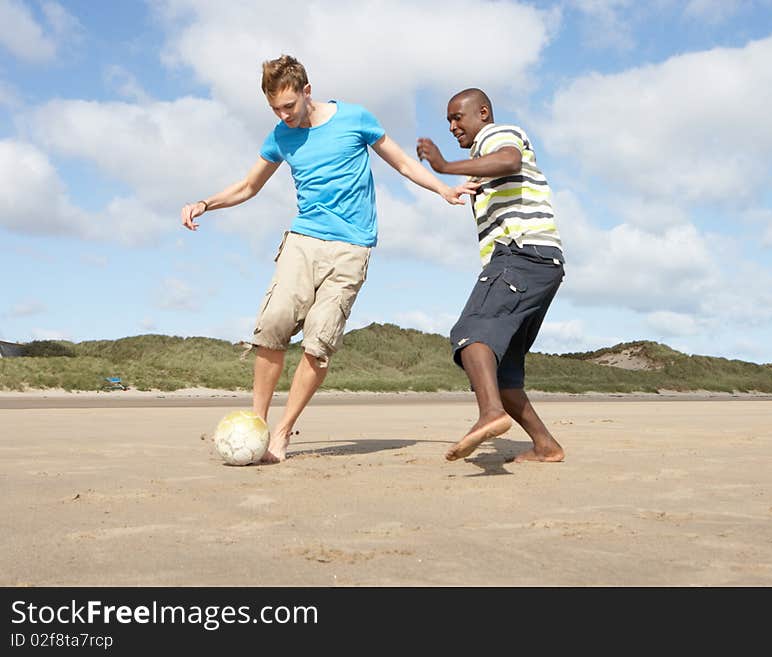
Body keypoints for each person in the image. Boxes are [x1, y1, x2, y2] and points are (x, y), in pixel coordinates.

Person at [181, 55, 476, 463]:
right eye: (275, 109)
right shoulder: (281, 137)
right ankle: (257, 425)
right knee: (272, 325)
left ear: (307, 92)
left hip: (352, 249)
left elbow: (404, 164)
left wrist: (442, 189)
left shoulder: (355, 119)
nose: (283, 115)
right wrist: (205, 203)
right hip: (303, 241)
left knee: (319, 344)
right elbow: (249, 187)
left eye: (289, 106)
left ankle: (282, 435)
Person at [416, 88, 565, 463]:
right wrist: (463, 187)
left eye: (457, 117)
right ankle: (546, 446)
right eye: (448, 120)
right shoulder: (482, 160)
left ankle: (490, 413)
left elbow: (509, 160)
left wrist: (447, 166)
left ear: (482, 113)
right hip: (541, 264)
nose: (452, 126)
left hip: (520, 254)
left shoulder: (496, 135)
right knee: (504, 374)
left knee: (471, 332)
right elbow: (504, 174)